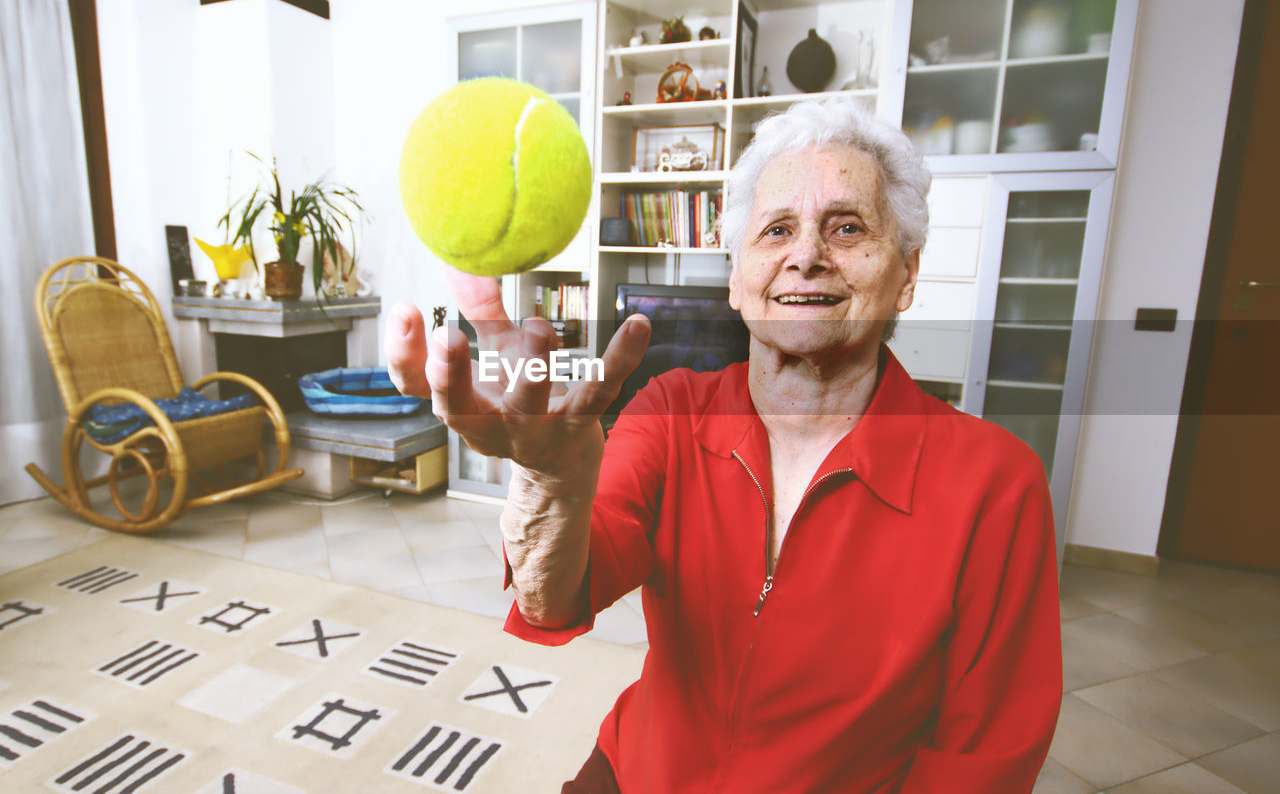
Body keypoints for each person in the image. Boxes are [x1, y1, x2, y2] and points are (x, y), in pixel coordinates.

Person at [387, 98, 1063, 793]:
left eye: (848, 227)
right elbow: (551, 600)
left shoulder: (996, 484)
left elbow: (983, 761)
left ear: (906, 274)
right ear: (738, 279)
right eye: (776, 230)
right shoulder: (671, 410)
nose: (806, 256)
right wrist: (546, 484)